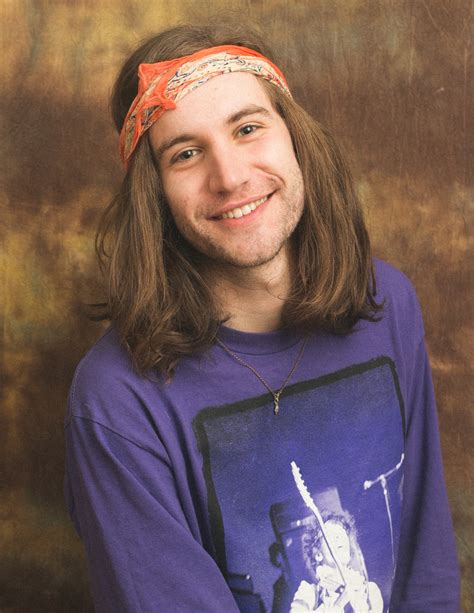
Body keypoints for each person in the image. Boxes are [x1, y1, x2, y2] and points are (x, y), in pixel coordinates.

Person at [64, 22, 460, 612]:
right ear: (155, 194)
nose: (230, 178)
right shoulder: (117, 400)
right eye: (186, 153)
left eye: (248, 128)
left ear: (295, 138)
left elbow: (427, 565)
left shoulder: (387, 305)